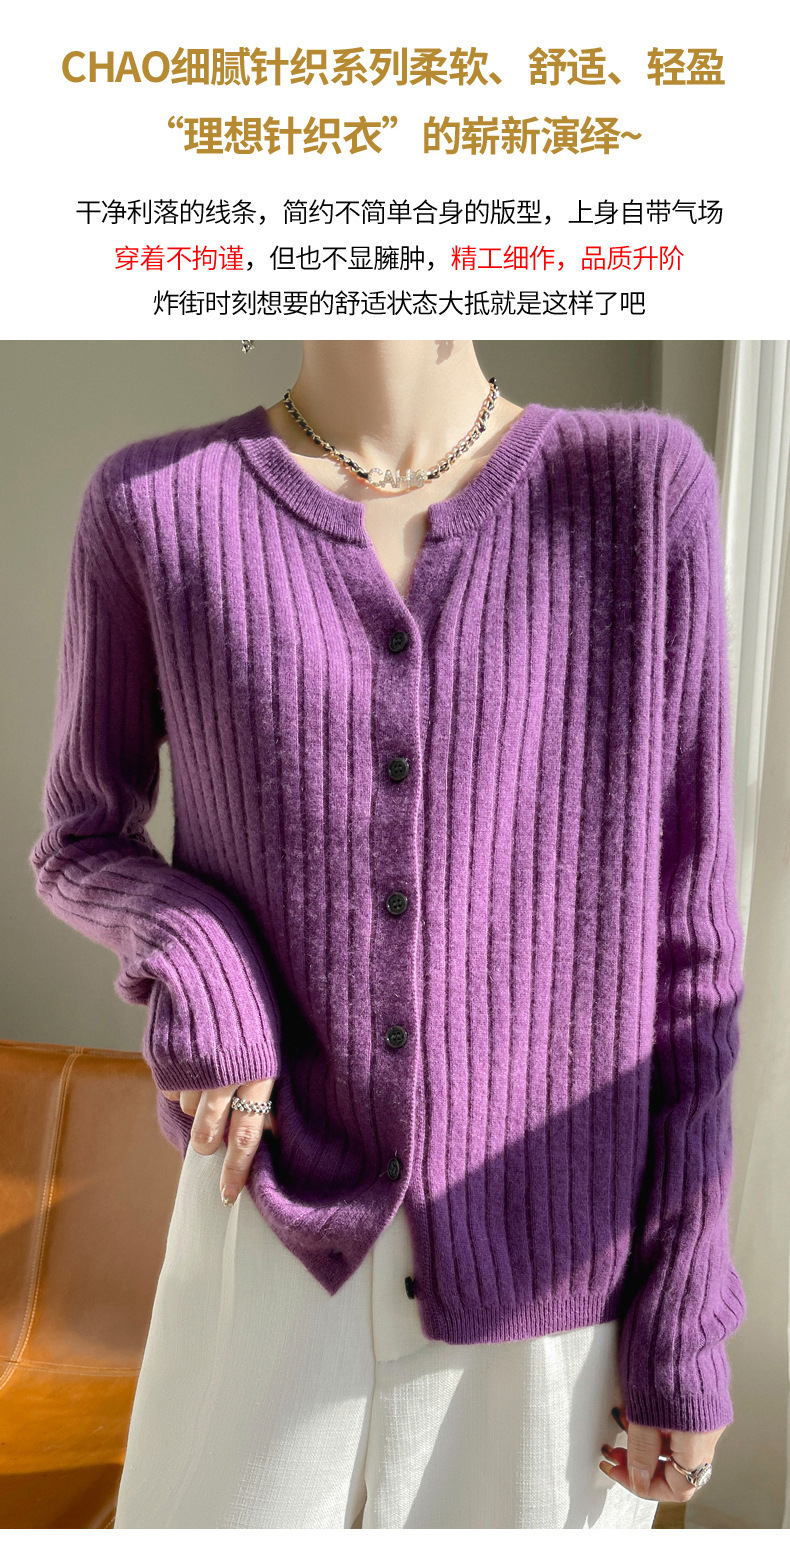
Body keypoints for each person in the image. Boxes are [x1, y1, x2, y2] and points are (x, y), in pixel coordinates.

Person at [29, 340, 746, 1529]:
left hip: (553, 1274)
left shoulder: (638, 487)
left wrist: (682, 1310)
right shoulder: (154, 504)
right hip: (267, 1229)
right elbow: (79, 834)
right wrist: (197, 947)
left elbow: (691, 945)